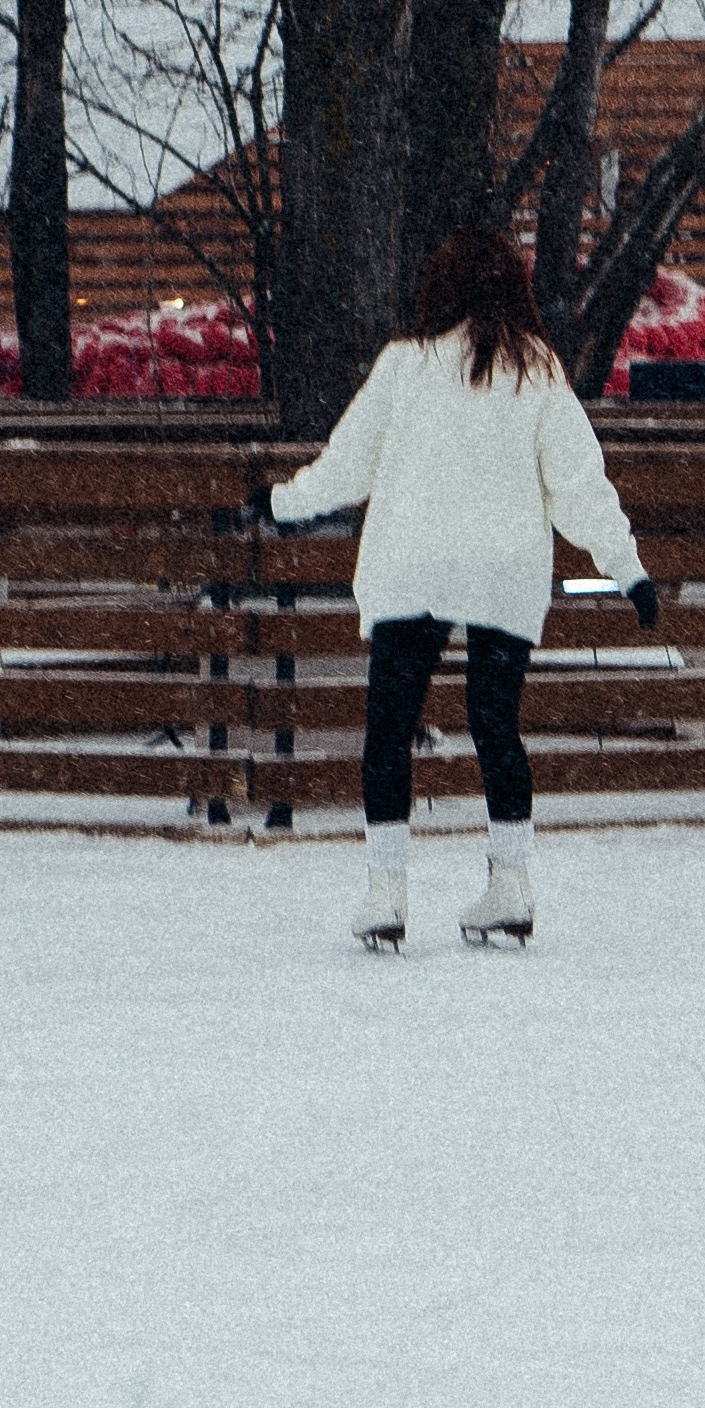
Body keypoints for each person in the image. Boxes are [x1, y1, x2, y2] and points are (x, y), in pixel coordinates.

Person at [268, 229, 659, 951]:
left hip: (412, 562)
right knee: (494, 723)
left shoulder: (404, 365)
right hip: (501, 568)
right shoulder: (536, 369)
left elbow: (346, 466)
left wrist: (278, 504)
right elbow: (577, 483)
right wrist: (625, 566)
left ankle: (386, 891)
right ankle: (509, 882)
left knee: (389, 728)